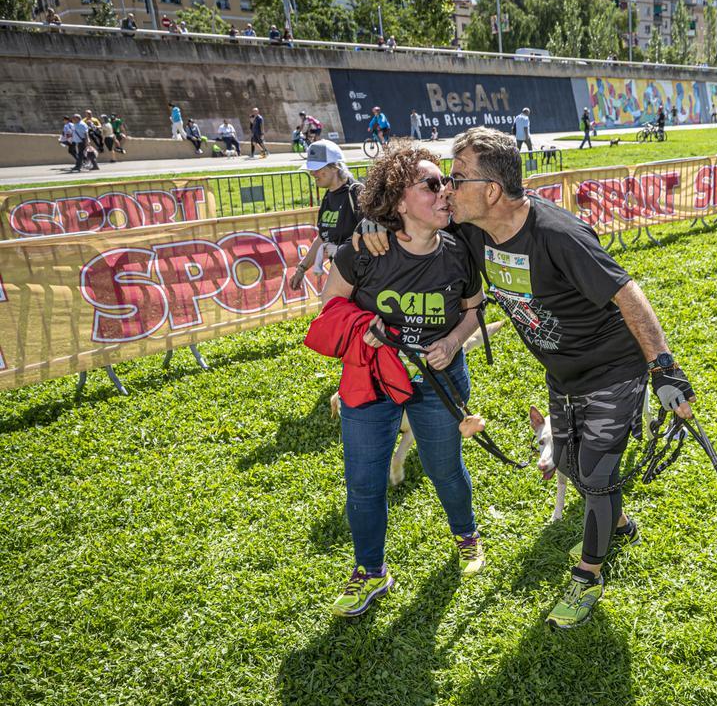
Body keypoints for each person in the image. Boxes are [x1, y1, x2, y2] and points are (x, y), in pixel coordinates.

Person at [355, 127, 696, 630]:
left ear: (491, 190)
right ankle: (619, 524)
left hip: (612, 372)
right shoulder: (474, 231)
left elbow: (628, 294)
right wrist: (372, 223)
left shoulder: (557, 235)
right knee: (569, 463)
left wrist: (664, 368)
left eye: (457, 178)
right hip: (563, 376)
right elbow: (415, 229)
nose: (448, 189)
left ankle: (588, 575)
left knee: (596, 477)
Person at [316, 142, 486, 617]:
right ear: (397, 200)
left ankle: (466, 535)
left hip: (440, 381)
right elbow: (328, 308)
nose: (444, 191)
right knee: (364, 482)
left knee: (444, 468)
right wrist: (358, 327)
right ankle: (370, 571)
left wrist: (451, 343)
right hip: (372, 383)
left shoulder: (461, 252)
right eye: (431, 184)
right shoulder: (364, 253)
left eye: (446, 182)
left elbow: (474, 312)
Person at [290, 141, 364, 290]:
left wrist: (341, 250)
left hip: (363, 279)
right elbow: (323, 237)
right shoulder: (328, 196)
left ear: (335, 167)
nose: (312, 173)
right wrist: (301, 269)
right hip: (341, 275)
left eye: (317, 169)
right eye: (311, 169)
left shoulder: (356, 193)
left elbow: (373, 236)